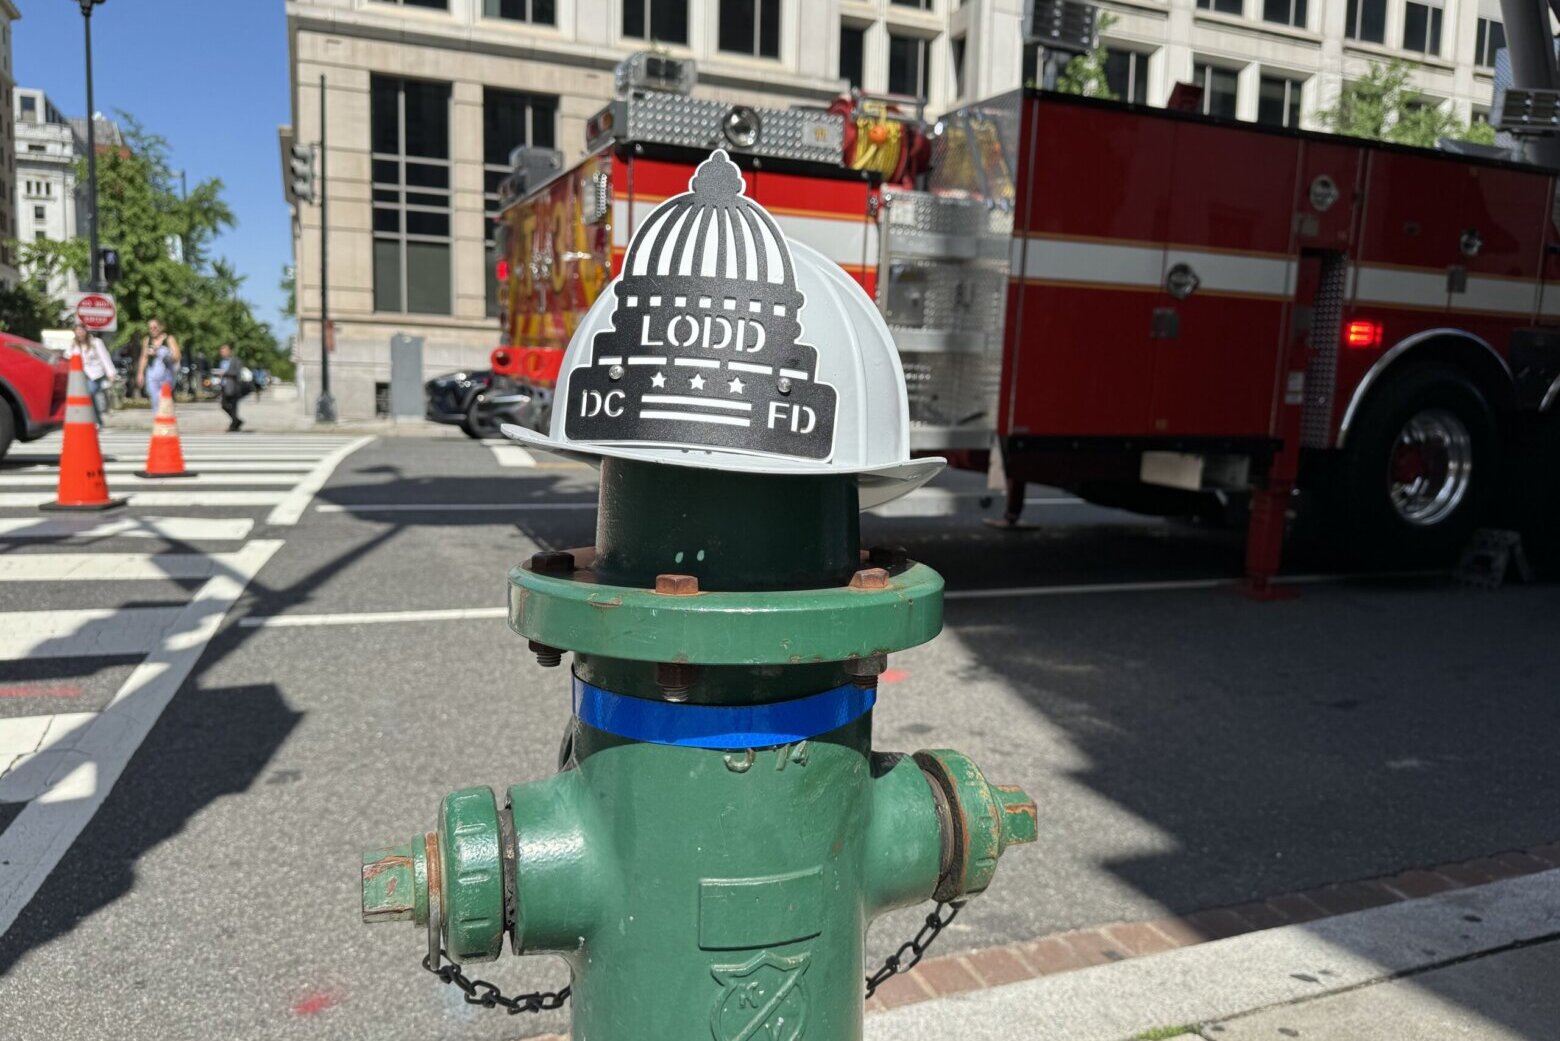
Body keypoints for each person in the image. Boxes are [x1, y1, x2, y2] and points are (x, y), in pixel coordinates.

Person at [68, 321, 117, 427]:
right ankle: (95, 420)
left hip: (95, 375)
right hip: (81, 376)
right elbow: (68, 357)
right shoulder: (73, 345)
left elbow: (105, 358)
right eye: (77, 331)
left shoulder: (96, 342)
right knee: (86, 398)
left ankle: (95, 420)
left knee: (89, 393)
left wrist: (111, 373)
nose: (79, 333)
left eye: (81, 331)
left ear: (85, 331)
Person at [136, 318, 181, 404]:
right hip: (152, 375)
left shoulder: (168, 339)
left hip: (166, 375)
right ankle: (158, 416)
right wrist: (140, 373)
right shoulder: (147, 340)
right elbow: (143, 358)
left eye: (155, 327)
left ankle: (165, 416)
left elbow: (177, 356)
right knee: (155, 400)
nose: (153, 330)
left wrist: (166, 356)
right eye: (150, 328)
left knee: (165, 400)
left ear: (161, 327)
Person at [217, 344, 245, 432]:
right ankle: (237, 421)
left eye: (224, 351)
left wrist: (225, 374)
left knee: (234, 407)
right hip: (224, 386)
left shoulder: (236, 361)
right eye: (221, 351)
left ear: (229, 351)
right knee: (224, 405)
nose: (222, 353)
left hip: (234, 387)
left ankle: (234, 425)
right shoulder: (222, 362)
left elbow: (237, 373)